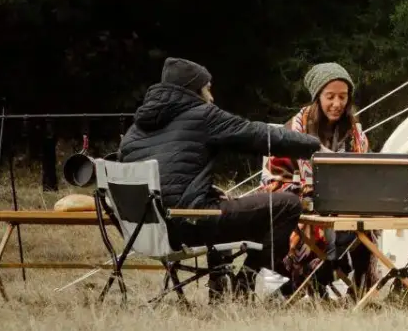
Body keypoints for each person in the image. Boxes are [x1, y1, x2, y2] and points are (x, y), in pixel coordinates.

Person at [119, 57, 320, 281]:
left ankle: (220, 288)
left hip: (144, 231)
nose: (211, 98)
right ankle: (245, 281)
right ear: (193, 90)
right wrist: (314, 145)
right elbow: (257, 134)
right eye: (207, 89)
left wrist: (208, 191)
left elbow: (169, 180)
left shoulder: (133, 131)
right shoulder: (203, 115)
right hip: (189, 224)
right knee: (287, 204)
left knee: (220, 206)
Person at [263, 61, 370, 287]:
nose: (337, 103)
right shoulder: (293, 131)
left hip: (344, 205)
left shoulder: (355, 132)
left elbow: (362, 171)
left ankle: (361, 287)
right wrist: (309, 193)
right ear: (318, 97)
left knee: (368, 221)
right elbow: (273, 181)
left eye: (343, 97)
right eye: (330, 96)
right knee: (312, 224)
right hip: (302, 205)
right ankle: (314, 279)